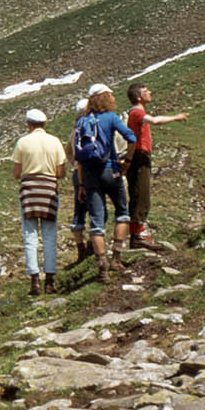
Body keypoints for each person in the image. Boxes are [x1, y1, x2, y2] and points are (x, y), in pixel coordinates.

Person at [75, 83, 137, 282]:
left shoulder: (82, 121)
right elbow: (131, 137)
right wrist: (127, 161)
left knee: (96, 222)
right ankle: (116, 258)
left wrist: (82, 185)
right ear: (106, 98)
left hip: (90, 175)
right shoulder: (111, 118)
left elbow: (79, 160)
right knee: (122, 212)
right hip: (111, 169)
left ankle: (102, 268)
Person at [124, 83, 189, 249]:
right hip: (139, 157)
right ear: (138, 97)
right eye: (146, 91)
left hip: (141, 156)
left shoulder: (137, 112)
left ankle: (137, 233)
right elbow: (154, 121)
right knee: (141, 195)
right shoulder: (137, 112)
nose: (150, 92)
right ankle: (138, 235)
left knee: (140, 194)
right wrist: (176, 117)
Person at [12, 107, 68, 295]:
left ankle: (34, 279)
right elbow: (61, 173)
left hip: (28, 191)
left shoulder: (22, 142)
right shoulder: (55, 142)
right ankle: (50, 280)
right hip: (49, 189)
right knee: (49, 234)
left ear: (28, 124)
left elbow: (16, 173)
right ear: (45, 124)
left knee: (30, 235)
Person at [65, 97, 91, 264]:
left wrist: (74, 164)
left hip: (77, 172)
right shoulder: (88, 126)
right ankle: (91, 247)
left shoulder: (74, 131)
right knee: (97, 209)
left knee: (79, 210)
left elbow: (68, 150)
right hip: (89, 171)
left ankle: (81, 248)